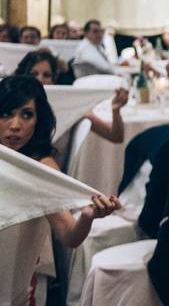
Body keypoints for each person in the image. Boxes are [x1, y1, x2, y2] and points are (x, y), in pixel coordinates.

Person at [0, 77, 121, 305]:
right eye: (6, 113)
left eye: (27, 115)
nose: (15, 125)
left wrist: (87, 217)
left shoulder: (40, 169)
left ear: (38, 121)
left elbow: (69, 235)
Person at [15, 50, 128, 143]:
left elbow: (115, 136)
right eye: (33, 74)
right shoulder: (11, 104)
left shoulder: (70, 104)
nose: (40, 80)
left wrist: (116, 111)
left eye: (47, 75)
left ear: (54, 79)